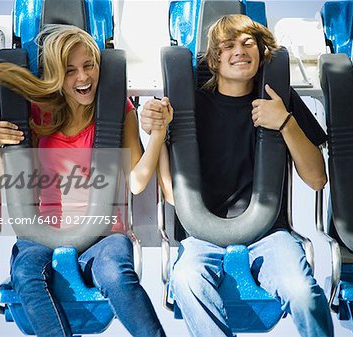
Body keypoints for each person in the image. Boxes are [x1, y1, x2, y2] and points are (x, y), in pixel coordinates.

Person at [141, 14, 334, 337]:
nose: (239, 51)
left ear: (261, 52)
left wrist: (285, 122)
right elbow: (174, 195)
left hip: (270, 235)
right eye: (228, 45)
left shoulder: (280, 99)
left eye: (248, 44)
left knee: (302, 291)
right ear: (214, 60)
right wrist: (158, 131)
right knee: (187, 280)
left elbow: (317, 180)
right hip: (202, 236)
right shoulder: (190, 105)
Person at [0, 24, 171, 337]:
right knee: (25, 272)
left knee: (114, 272)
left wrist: (159, 134)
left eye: (89, 66)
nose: (83, 78)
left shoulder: (117, 110)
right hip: (43, 232)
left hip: (103, 235)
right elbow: (17, 187)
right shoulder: (35, 113)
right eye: (70, 71)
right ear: (57, 76)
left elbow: (137, 182)